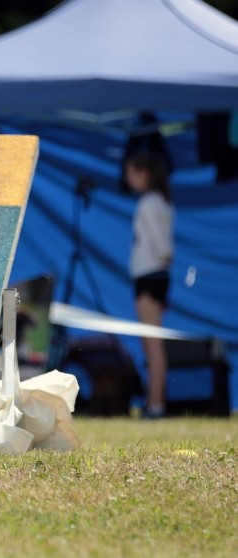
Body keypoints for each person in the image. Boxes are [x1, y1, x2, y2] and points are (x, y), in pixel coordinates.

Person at [124, 148, 174, 419]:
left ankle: (155, 405)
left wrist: (161, 258)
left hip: (150, 275)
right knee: (152, 343)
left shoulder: (148, 203)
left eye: (130, 174)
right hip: (156, 276)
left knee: (152, 345)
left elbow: (163, 247)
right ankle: (154, 402)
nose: (128, 179)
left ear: (143, 174)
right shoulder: (164, 202)